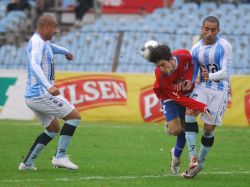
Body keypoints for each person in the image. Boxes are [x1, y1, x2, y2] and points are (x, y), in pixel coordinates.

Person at [18, 15, 81, 171]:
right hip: (40, 94)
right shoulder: (37, 42)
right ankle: (60, 157)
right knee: (74, 117)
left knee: (53, 129)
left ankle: (27, 164)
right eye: (54, 27)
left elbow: (52, 47)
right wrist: (48, 86)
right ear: (46, 26)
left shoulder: (42, 42)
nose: (56, 31)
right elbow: (34, 64)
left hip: (32, 96)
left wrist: (66, 52)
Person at [142, 42, 211, 175]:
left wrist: (189, 80)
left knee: (184, 128)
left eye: (162, 64)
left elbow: (193, 64)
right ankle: (170, 125)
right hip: (169, 94)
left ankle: (176, 155)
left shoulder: (183, 54)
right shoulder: (161, 75)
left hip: (183, 91)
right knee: (175, 130)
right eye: (158, 66)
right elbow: (180, 99)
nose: (160, 68)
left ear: (170, 59)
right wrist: (202, 107)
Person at [181, 16, 232, 179]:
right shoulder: (195, 48)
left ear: (218, 30)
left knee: (209, 129)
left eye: (213, 30)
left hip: (220, 89)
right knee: (189, 111)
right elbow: (194, 70)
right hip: (203, 86)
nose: (209, 33)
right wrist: (189, 81)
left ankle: (200, 163)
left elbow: (225, 71)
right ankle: (192, 158)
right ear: (202, 28)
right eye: (207, 29)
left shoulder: (224, 46)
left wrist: (209, 76)